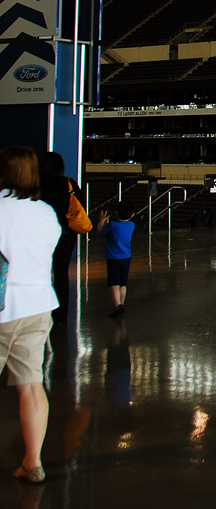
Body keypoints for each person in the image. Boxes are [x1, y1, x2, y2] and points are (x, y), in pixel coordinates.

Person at [0, 146, 62, 483]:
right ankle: (32, 463)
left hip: (3, 308)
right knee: (31, 385)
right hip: (37, 308)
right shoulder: (45, 213)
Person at [36, 152, 84, 325]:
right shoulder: (69, 184)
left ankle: (41, 310)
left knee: (41, 272)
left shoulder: (35, 185)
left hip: (40, 236)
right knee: (62, 273)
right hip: (66, 235)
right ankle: (61, 314)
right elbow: (80, 206)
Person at [97, 203, 135, 318]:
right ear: (132, 215)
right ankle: (122, 304)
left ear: (116, 213)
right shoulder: (131, 225)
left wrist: (102, 220)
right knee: (123, 284)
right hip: (126, 257)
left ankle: (117, 305)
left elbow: (100, 231)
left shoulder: (112, 225)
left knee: (114, 284)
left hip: (113, 258)